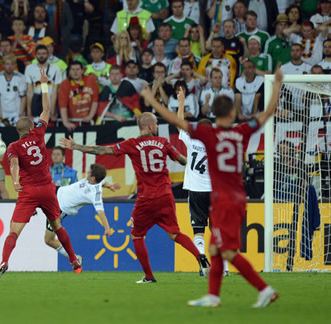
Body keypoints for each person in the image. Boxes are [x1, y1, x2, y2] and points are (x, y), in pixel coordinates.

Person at [140, 68, 283, 307]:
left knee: (226, 251)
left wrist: (153, 100)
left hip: (225, 199)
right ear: (233, 112)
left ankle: (264, 289)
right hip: (231, 196)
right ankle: (213, 296)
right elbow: (268, 112)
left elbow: (176, 120)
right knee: (215, 249)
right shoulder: (242, 131)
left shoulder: (207, 134)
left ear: (214, 114)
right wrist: (277, 85)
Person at [60, 112, 210, 283]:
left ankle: (149, 276)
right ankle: (200, 257)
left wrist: (77, 146)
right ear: (150, 126)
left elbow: (104, 150)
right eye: (155, 123)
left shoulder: (132, 144)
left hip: (146, 198)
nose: (157, 126)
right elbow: (183, 161)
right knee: (175, 234)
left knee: (137, 236)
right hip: (166, 196)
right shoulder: (163, 142)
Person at [0, 69, 82, 279]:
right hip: (48, 190)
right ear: (31, 127)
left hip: (29, 191)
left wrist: (15, 181)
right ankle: (73, 260)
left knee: (14, 230)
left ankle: (4, 261)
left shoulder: (13, 146)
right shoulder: (39, 132)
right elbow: (47, 108)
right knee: (57, 226)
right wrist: (44, 84)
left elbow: (14, 165)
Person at [176, 96, 230, 277]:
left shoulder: (192, 141)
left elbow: (178, 123)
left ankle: (202, 263)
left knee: (198, 230)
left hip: (196, 191)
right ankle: (225, 269)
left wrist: (181, 102)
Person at [44, 164, 117, 262]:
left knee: (49, 240)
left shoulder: (95, 194)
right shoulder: (95, 180)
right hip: (57, 191)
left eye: (89, 172)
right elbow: (103, 182)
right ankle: (33, 208)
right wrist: (110, 185)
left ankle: (75, 258)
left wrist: (107, 228)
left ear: (93, 178)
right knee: (39, 188)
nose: (87, 172)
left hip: (58, 209)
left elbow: (101, 212)